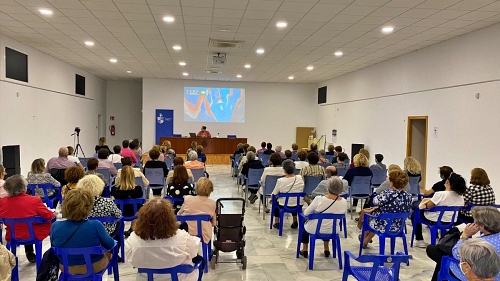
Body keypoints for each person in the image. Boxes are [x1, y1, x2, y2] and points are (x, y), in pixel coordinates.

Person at [126, 198, 203, 281]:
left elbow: (132, 260)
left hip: (146, 278)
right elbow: (194, 252)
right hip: (179, 278)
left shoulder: (133, 239)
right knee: (200, 260)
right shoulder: (182, 237)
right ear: (170, 218)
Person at [51, 188, 114, 274]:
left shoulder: (55, 226)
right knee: (109, 253)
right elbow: (110, 244)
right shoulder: (95, 225)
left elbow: (54, 246)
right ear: (88, 207)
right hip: (93, 266)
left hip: (66, 267)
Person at [427, 206, 500, 281]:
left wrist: (464, 235)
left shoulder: (482, 244)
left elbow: (456, 254)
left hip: (479, 275)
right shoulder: (493, 237)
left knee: (437, 253)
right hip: (493, 273)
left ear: (481, 225)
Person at [0, 175, 55, 263]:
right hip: (34, 234)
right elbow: (49, 216)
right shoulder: (34, 200)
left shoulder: (2, 202)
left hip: (12, 235)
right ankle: (54, 256)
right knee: (53, 225)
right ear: (23, 188)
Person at [358, 169, 412, 248]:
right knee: (380, 217)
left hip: (382, 225)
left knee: (372, 218)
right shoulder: (408, 196)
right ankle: (365, 240)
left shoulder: (386, 194)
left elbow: (375, 201)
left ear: (391, 183)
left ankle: (364, 237)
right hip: (398, 226)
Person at [413, 173, 466, 248]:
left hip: (435, 219)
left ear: (447, 182)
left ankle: (419, 239)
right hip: (451, 220)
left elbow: (428, 206)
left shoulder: (440, 194)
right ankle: (438, 238)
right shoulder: (460, 196)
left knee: (415, 213)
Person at [299, 177, 347, 258]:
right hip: (333, 229)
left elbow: (306, 213)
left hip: (315, 229)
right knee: (328, 223)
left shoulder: (319, 199)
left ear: (328, 188)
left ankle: (305, 249)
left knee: (304, 222)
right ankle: (326, 248)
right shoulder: (344, 202)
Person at [178, 178, 216, 245]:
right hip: (204, 233)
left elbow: (179, 214)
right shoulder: (213, 203)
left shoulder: (188, 199)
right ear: (210, 191)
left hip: (186, 231)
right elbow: (214, 223)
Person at [272, 160, 305, 229]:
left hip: (284, 205)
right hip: (298, 204)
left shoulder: (280, 180)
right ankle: (295, 220)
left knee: (275, 201)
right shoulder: (300, 178)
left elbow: (274, 194)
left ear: (284, 169)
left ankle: (277, 221)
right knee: (294, 199)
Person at [111, 165, 144, 237]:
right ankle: (133, 230)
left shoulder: (114, 189)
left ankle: (120, 231)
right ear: (132, 176)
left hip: (120, 212)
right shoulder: (138, 189)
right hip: (134, 212)